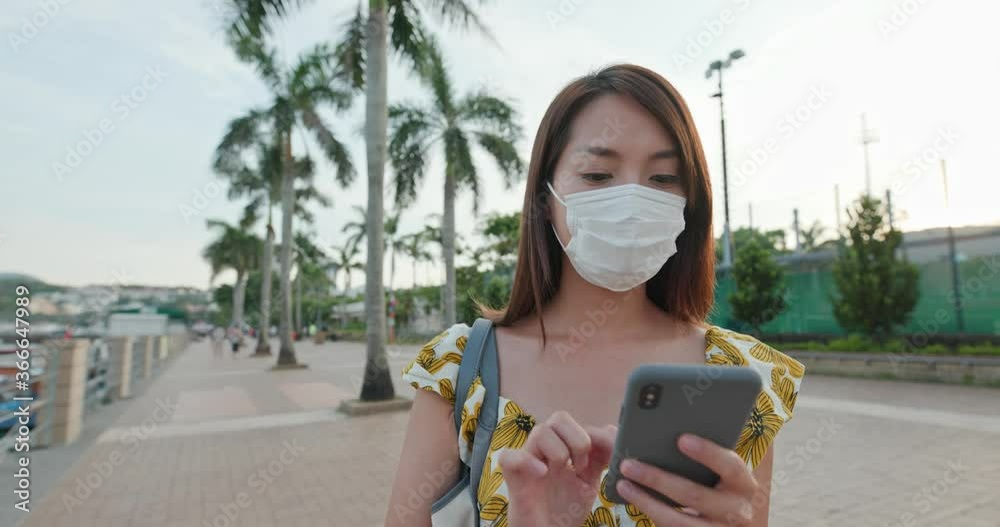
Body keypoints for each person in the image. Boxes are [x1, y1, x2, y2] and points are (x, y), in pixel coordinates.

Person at [388, 64, 805, 527]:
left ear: (690, 200)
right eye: (599, 175)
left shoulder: (746, 378)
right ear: (546, 199)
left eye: (664, 179)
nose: (631, 201)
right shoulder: (458, 369)